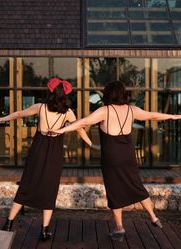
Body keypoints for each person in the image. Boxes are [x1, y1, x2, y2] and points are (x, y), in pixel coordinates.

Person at [52, 80, 181, 242]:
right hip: (128, 155)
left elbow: (83, 122)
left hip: (111, 157)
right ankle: (154, 217)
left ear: (108, 95)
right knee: (136, 185)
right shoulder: (132, 110)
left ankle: (119, 228)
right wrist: (174, 116)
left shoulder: (104, 111)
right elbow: (153, 115)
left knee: (114, 190)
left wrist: (62, 129)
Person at [0, 77, 98, 241]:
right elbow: (80, 129)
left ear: (51, 93)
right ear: (64, 95)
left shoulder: (40, 107)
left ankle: (8, 223)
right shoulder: (67, 112)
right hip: (54, 152)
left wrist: (0, 120)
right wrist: (91, 144)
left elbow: (18, 114)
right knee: (50, 188)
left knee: (26, 184)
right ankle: (44, 231)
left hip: (38, 149)